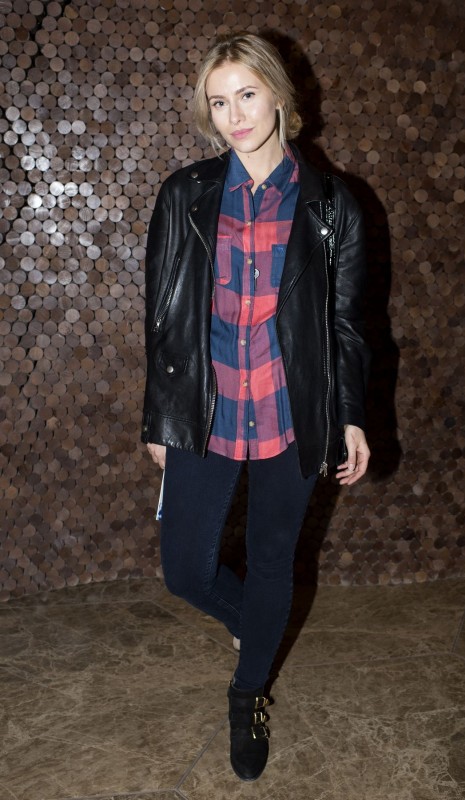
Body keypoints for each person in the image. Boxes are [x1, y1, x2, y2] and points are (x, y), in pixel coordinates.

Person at [141, 32, 371, 782]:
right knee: (184, 571)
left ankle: (248, 696)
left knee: (273, 559)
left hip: (290, 410)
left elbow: (345, 324)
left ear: (278, 96)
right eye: (219, 102)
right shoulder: (184, 194)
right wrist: (159, 417)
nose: (234, 115)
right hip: (204, 410)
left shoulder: (332, 204)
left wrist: (351, 415)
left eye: (246, 94)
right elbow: (162, 318)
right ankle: (258, 626)